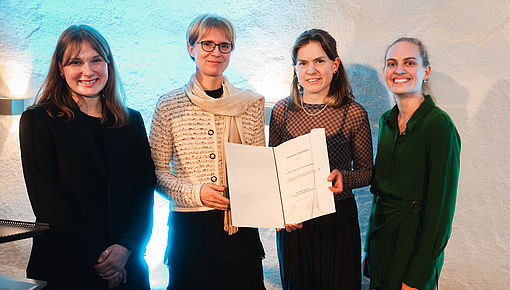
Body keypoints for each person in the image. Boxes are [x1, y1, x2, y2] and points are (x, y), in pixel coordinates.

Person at [19, 25, 156, 290]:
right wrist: (104, 261)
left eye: (96, 60)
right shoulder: (39, 121)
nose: (88, 71)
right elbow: (49, 204)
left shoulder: (130, 121)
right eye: (75, 62)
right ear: (60, 67)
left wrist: (126, 248)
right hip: (66, 266)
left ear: (108, 63)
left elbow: (143, 190)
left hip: (128, 266)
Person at [149, 14, 266, 290]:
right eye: (207, 44)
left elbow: (260, 168)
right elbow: (155, 172)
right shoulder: (169, 105)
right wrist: (196, 193)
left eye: (225, 46)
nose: (216, 52)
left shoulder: (249, 104)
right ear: (192, 48)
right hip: (191, 229)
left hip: (240, 227)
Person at [269, 29, 373, 290]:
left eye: (319, 61)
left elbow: (367, 171)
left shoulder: (353, 113)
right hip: (294, 225)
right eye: (303, 63)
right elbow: (272, 171)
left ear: (335, 65)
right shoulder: (282, 111)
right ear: (295, 68)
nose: (311, 70)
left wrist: (344, 177)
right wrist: (279, 213)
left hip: (337, 222)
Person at [363, 37, 461, 290]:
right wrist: (368, 249)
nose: (399, 71)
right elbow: (379, 194)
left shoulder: (440, 126)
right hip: (382, 240)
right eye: (391, 63)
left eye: (409, 63)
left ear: (425, 71)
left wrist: (418, 275)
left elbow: (441, 214)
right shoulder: (386, 121)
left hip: (413, 245)